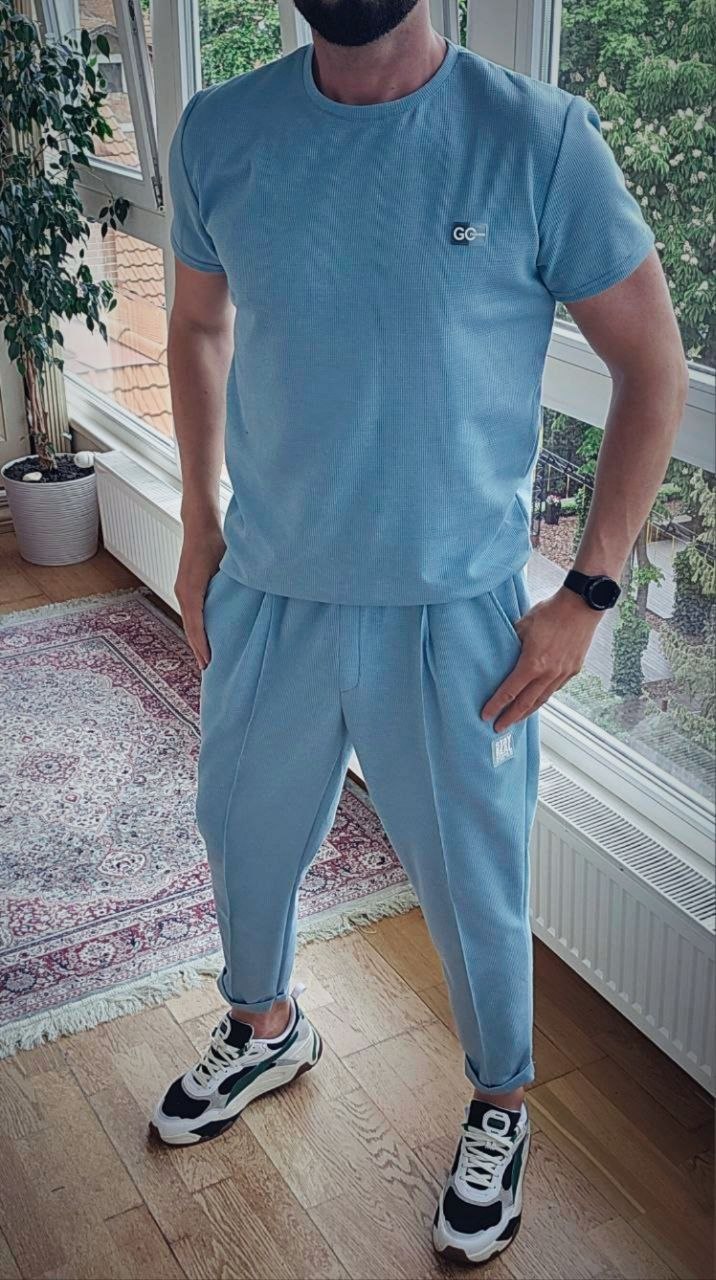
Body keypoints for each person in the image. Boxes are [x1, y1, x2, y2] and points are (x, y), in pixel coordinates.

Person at [151, 0, 687, 1265]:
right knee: (239, 830)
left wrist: (587, 592)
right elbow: (197, 324)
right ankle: (266, 1023)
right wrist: (198, 520)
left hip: (456, 617)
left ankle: (500, 1101)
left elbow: (651, 365)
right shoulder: (221, 130)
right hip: (271, 588)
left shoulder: (539, 140)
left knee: (474, 886)